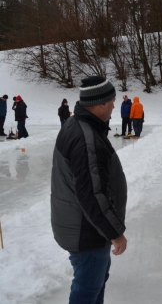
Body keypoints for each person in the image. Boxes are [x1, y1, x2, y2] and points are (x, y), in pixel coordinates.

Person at [51, 76, 127, 304]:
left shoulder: (79, 125)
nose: (114, 105)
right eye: (112, 101)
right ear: (101, 103)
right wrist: (114, 232)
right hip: (87, 232)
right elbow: (91, 195)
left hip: (83, 226)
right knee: (87, 291)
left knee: (94, 284)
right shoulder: (86, 138)